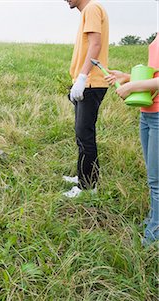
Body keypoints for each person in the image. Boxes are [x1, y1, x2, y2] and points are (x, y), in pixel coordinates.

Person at [105, 33, 159, 244]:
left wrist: (132, 87)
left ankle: (155, 231)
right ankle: (154, 220)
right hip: (147, 113)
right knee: (152, 175)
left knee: (156, 180)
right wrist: (127, 77)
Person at [63, 0, 109, 198]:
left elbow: (95, 44)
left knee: (85, 135)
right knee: (81, 134)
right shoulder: (89, 11)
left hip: (91, 83)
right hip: (87, 83)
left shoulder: (91, 8)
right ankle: (84, 175)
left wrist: (82, 77)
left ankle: (87, 187)